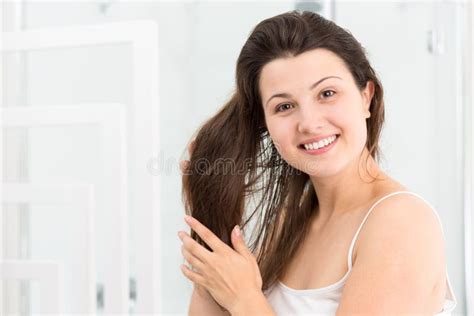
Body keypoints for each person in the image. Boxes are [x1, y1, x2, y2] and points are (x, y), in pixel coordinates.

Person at [177, 10, 458, 315]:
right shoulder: (289, 221)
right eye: (284, 106)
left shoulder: (401, 221)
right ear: (265, 123)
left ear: (366, 96)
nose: (309, 123)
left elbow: (244, 305)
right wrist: (208, 222)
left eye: (327, 93)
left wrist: (245, 299)